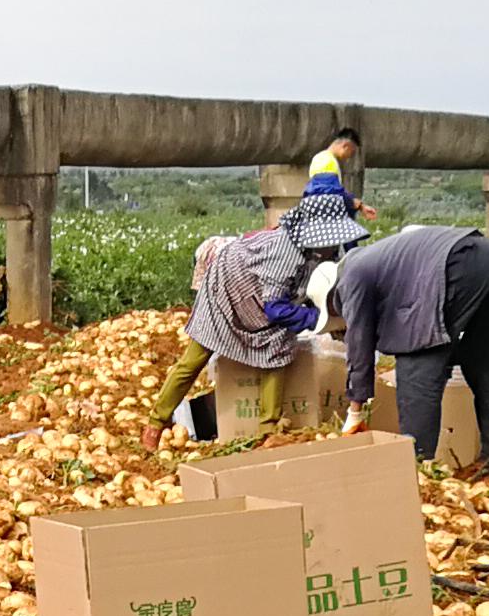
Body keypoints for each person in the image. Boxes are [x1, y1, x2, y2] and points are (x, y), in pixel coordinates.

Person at [153, 179, 366, 439]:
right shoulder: (286, 250)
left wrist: (339, 323)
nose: (335, 245)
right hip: (228, 289)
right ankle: (157, 422)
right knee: (195, 358)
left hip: (265, 299)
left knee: (277, 353)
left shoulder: (322, 251)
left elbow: (316, 289)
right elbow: (276, 309)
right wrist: (321, 319)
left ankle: (268, 431)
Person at [333, 221, 489, 470]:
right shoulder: (382, 259)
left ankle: (418, 468)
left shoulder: (352, 275)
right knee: (485, 361)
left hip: (456, 264)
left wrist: (355, 411)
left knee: (416, 366)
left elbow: (358, 344)